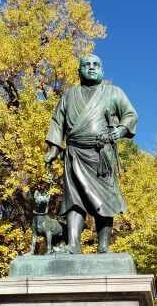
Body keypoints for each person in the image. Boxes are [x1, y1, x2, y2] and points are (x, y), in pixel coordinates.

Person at [44, 54, 138, 254]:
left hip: (100, 153)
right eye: (86, 65)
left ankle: (103, 246)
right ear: (79, 72)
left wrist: (120, 130)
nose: (92, 67)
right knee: (73, 199)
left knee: (105, 199)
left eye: (96, 65)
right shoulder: (68, 95)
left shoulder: (114, 92)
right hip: (74, 153)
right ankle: (73, 245)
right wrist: (54, 148)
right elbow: (57, 122)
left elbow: (130, 114)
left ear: (102, 71)